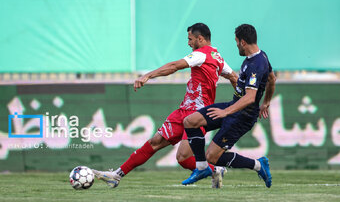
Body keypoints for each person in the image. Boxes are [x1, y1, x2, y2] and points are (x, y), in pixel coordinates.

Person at [92, 23, 238, 188]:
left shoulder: (201, 55)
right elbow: (234, 78)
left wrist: (147, 75)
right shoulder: (217, 58)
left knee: (182, 158)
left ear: (200, 38)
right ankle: (116, 175)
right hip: (184, 111)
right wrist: (241, 101)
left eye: (190, 39)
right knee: (155, 142)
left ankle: (213, 170)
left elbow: (174, 66)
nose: (188, 43)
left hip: (197, 116)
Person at [182, 24, 276, 188]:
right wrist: (266, 102)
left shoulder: (256, 64)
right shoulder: (260, 57)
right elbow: (272, 79)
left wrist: (225, 112)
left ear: (243, 42)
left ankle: (259, 165)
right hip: (234, 107)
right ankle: (202, 167)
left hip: (243, 116)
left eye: (236, 42)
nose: (236, 45)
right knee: (190, 121)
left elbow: (250, 98)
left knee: (212, 156)